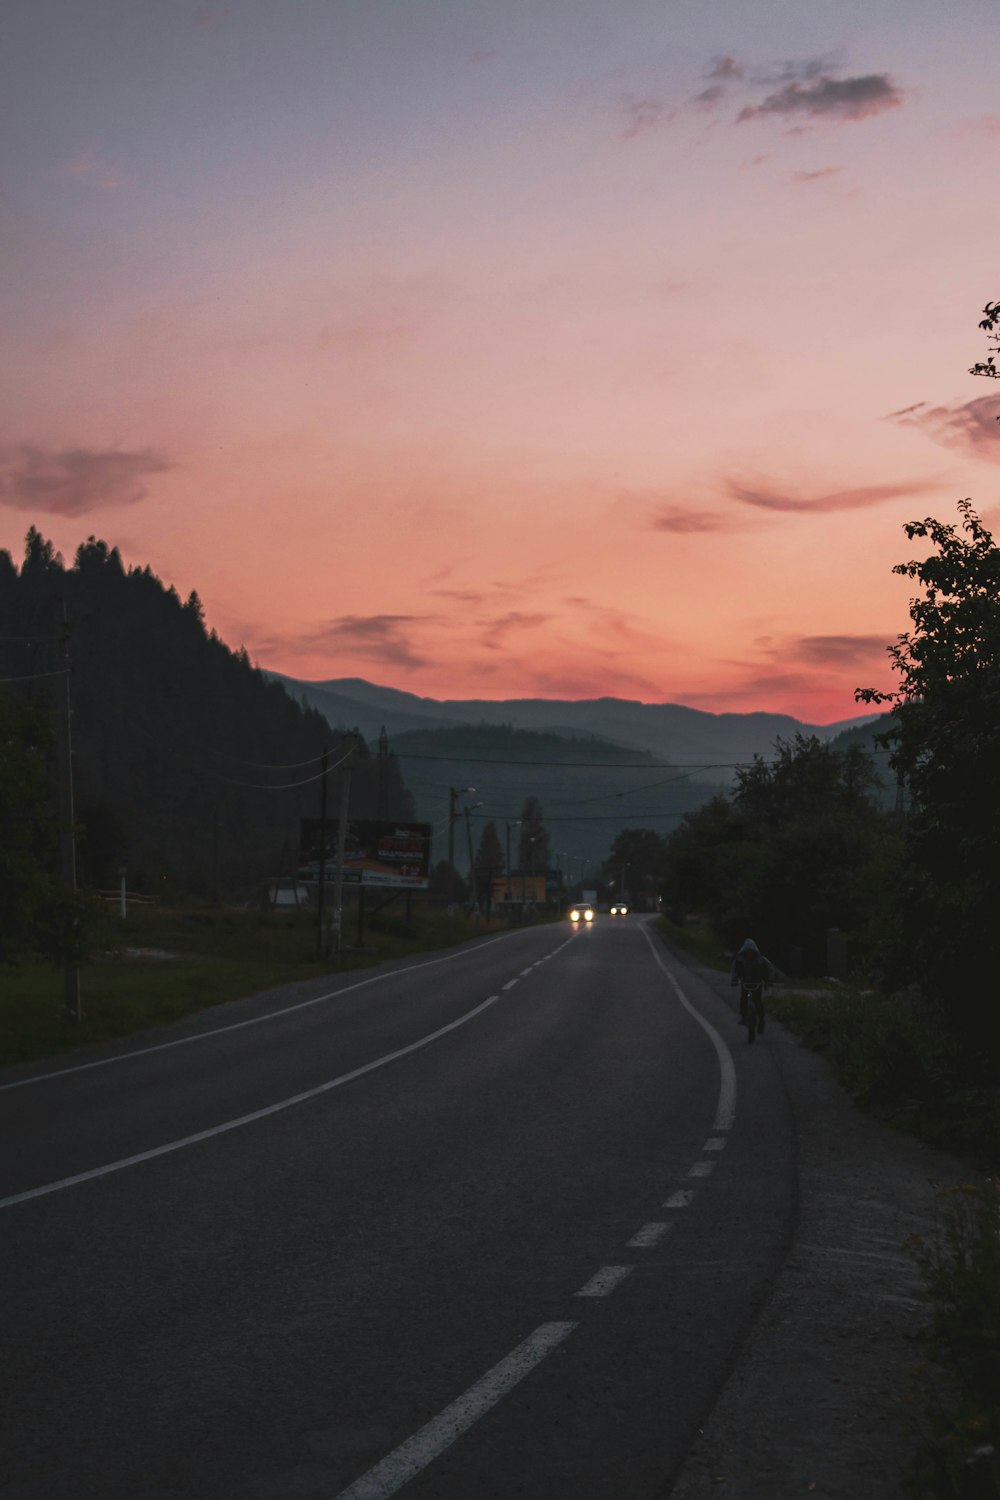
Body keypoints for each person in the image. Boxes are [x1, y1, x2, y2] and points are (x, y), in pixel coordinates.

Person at [730, 938, 775, 1030]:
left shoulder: (761, 960)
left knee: (758, 1002)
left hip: (757, 983)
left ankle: (761, 1020)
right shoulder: (740, 960)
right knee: (743, 999)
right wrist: (734, 979)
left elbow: (770, 968)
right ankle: (743, 1017)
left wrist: (769, 980)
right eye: (747, 952)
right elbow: (734, 969)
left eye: (751, 952)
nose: (749, 954)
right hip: (745, 983)